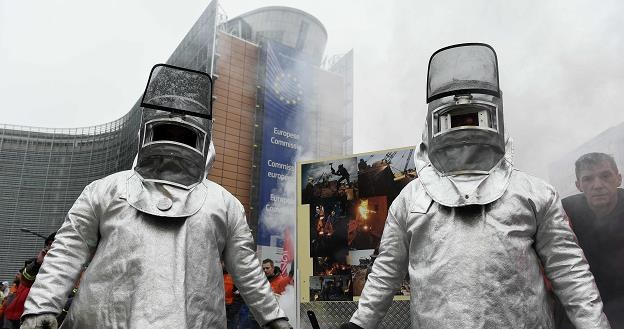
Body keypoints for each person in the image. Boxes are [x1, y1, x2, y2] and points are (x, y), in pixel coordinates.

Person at [340, 43, 609, 329]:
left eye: (472, 115)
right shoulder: (411, 199)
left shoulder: (533, 193)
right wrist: (360, 323)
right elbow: (387, 270)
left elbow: (569, 270)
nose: (464, 123)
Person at [20, 64, 292, 329]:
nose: (174, 140)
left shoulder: (224, 203)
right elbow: (69, 248)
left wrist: (273, 317)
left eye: (182, 135)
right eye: (166, 132)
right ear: (148, 133)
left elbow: (246, 268)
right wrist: (43, 305)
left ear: (202, 141)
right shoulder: (106, 189)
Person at [557, 152, 623, 328]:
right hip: (584, 299)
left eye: (605, 176)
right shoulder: (564, 211)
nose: (598, 185)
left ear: (619, 179)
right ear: (578, 185)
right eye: (588, 179)